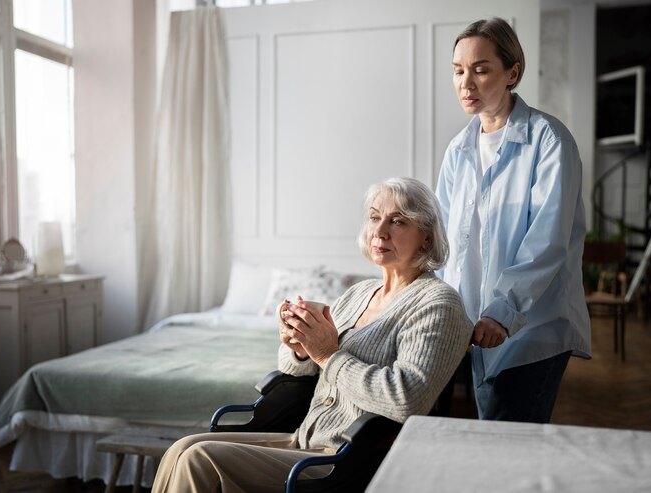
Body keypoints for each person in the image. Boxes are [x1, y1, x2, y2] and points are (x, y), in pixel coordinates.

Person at [152, 177, 473, 492]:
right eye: (375, 217)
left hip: (348, 457)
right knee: (183, 447)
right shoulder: (360, 292)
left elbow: (407, 401)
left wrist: (328, 355)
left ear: (426, 238)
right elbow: (296, 371)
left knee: (199, 458)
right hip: (304, 437)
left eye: (398, 221)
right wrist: (298, 346)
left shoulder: (438, 303)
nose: (379, 231)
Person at [435, 17, 591, 424]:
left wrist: (503, 311)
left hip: (531, 329)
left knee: (508, 441)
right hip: (473, 327)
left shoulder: (550, 140)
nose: (466, 82)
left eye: (481, 69)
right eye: (458, 70)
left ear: (512, 73)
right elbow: (444, 241)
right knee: (486, 441)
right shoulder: (458, 150)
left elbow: (547, 242)